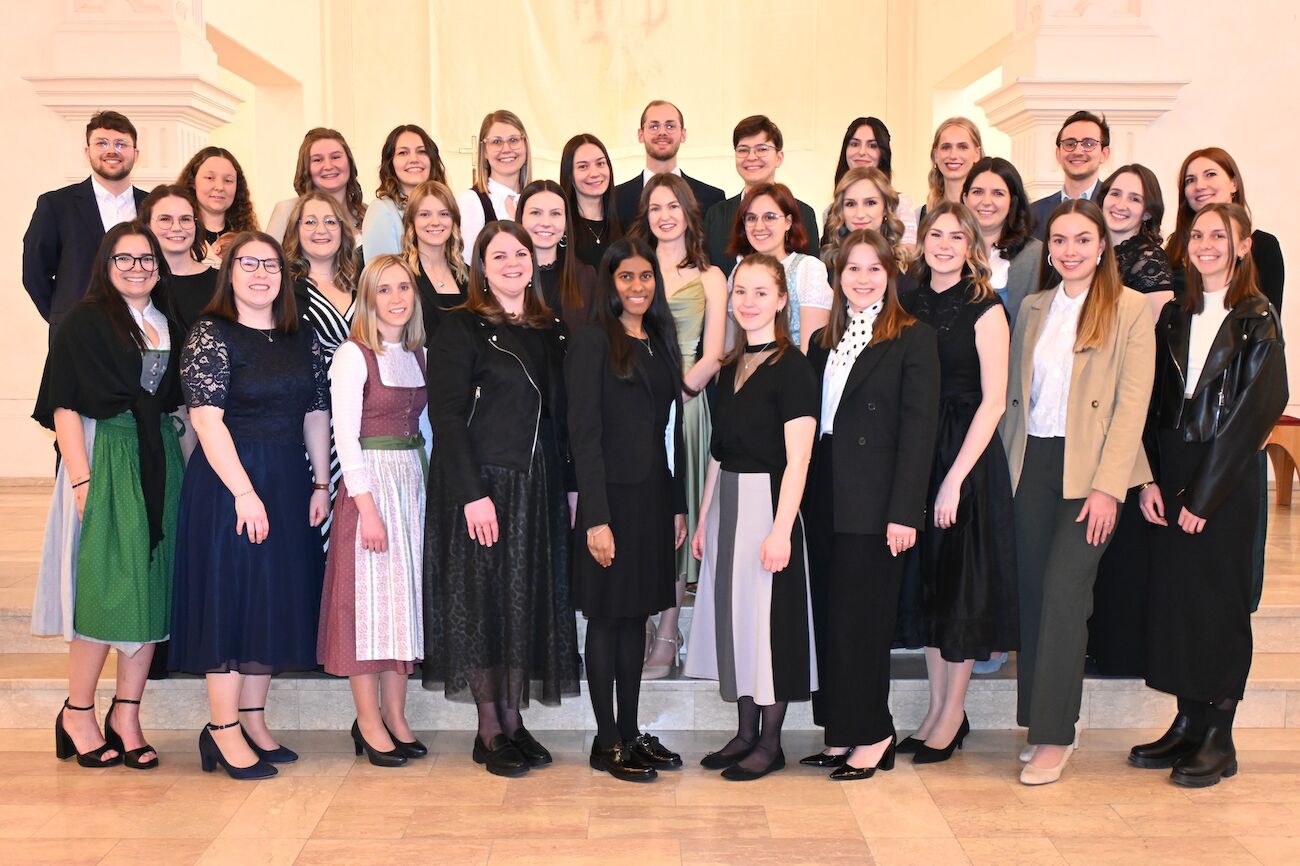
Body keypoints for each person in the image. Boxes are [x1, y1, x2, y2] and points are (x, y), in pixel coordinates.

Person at [1131, 203, 1287, 788]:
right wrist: (1147, 478)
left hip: (1224, 476)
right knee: (1178, 600)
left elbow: (1254, 413)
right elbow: (1151, 401)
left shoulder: (1257, 317)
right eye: (1198, 235)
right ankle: (1188, 722)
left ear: (1243, 245)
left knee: (1219, 604)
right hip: (1172, 466)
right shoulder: (1176, 313)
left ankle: (1219, 735)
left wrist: (1204, 496)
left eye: (1220, 236)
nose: (1207, 244)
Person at [1001, 200, 1154, 786]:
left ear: (1101, 247)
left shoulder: (1129, 308)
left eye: (1082, 240)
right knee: (1034, 595)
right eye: (1060, 240)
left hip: (1090, 470)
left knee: (1066, 595)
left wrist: (1109, 488)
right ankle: (1041, 720)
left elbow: (1132, 405)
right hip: (1032, 464)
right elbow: (1017, 399)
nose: (1070, 250)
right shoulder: (1034, 307)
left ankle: (1055, 735)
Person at [169, 232, 331, 780]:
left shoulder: (300, 336)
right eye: (249, 263)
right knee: (233, 600)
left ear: (284, 277)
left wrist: (320, 484)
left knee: (270, 599)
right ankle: (221, 728)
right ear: (229, 273)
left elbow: (315, 412)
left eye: (271, 265)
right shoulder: (211, 333)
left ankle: (253, 720)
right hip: (229, 482)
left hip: (287, 478)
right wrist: (243, 492)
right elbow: (205, 419)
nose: (261, 274)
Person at [423, 221, 579, 778]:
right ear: (481, 268)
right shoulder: (460, 327)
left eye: (520, 253)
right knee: (482, 602)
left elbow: (562, 419)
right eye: (499, 256)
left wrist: (571, 487)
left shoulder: (550, 329)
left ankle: (513, 720)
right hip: (482, 486)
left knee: (521, 602)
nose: (513, 263)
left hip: (536, 486)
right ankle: (488, 727)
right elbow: (445, 415)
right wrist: (473, 495)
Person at [32, 222, 184, 770]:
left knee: (151, 588)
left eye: (147, 259)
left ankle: (126, 714)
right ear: (106, 263)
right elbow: (65, 405)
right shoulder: (84, 321)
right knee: (104, 588)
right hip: (107, 457)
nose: (137, 268)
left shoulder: (170, 322)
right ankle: (78, 712)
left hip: (160, 459)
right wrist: (82, 481)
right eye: (125, 258)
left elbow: (178, 406)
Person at [800, 229, 939, 779]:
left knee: (864, 621)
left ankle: (875, 733)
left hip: (877, 500)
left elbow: (919, 432)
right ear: (838, 276)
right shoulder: (823, 340)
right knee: (831, 617)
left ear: (890, 275)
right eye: (852, 269)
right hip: (825, 491)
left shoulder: (913, 337)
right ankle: (841, 732)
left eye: (873, 269)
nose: (862, 278)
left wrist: (905, 511)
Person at [685, 253, 818, 781]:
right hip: (727, 507)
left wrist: (781, 530)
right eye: (740, 291)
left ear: (782, 300)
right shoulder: (728, 367)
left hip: (769, 505)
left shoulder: (795, 368)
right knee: (736, 623)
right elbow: (717, 454)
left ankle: (770, 742)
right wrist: (703, 520)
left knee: (767, 625)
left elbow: (800, 459)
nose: (748, 301)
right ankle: (743, 733)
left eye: (761, 292)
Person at [894, 202, 1017, 762]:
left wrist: (953, 480)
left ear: (972, 246)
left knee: (960, 586)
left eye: (956, 236)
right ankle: (937, 708)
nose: (944, 244)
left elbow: (994, 402)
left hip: (965, 453)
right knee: (931, 584)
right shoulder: (908, 298)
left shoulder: (985, 306)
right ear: (921, 240)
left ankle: (953, 713)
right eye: (935, 234)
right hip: (920, 447)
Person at [566, 238, 688, 781]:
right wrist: (596, 517)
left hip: (652, 497)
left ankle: (632, 731)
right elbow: (583, 433)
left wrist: (677, 504)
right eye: (626, 277)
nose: (638, 286)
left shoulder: (660, 339)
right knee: (607, 619)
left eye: (646, 276)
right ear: (610, 284)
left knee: (635, 617)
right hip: (609, 500)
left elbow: (672, 430)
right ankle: (607, 740)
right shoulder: (593, 340)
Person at [318, 255, 429, 768]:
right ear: (368, 298)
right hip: (371, 488)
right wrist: (367, 508)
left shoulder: (419, 353)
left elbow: (424, 429)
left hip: (411, 483)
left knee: (401, 604)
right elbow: (345, 435)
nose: (396, 298)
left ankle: (396, 715)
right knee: (366, 609)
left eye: (404, 287)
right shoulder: (352, 355)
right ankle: (367, 720)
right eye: (384, 289)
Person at [1166, 147, 1286, 613]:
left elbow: (1256, 355)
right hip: (1181, 431)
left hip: (1229, 426)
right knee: (1179, 578)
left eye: (1210, 174)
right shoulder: (1176, 265)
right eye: (1189, 179)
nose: (1199, 185)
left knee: (1226, 575)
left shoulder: (1259, 287)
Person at [627, 173, 728, 677]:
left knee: (676, 522)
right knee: (642, 518)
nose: (664, 216)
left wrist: (679, 392)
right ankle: (644, 623)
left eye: (673, 206)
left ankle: (668, 632)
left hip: (686, 405)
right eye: (655, 207)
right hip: (637, 406)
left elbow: (716, 353)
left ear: (689, 213)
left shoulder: (711, 276)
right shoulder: (634, 271)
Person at [1087, 163, 1174, 677]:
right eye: (1114, 193)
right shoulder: (1095, 250)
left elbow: (1153, 351)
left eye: (1134, 198)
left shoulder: (1149, 261)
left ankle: (1119, 650)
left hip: (1129, 407)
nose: (1120, 204)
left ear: (1148, 211)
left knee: (1122, 538)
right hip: (1092, 407)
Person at [23, 110, 148, 334]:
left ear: (135, 153)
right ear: (87, 151)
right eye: (102, 143)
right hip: (75, 332)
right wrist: (63, 316)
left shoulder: (153, 206)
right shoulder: (56, 205)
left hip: (142, 330)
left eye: (121, 144)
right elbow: (34, 273)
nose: (112, 150)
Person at [704, 115, 820, 276]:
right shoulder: (716, 215)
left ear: (779, 158)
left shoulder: (802, 212)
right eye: (743, 150)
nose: (751, 157)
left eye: (762, 149)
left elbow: (811, 275)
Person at [726, 183, 833, 351]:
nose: (759, 226)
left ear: (788, 222)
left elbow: (812, 351)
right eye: (751, 218)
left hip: (793, 365)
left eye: (769, 217)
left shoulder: (807, 269)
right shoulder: (739, 270)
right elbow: (730, 345)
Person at [613, 100, 725, 227]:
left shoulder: (712, 199)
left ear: (683, 134)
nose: (662, 132)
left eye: (670, 126)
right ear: (641, 135)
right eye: (654, 126)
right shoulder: (616, 199)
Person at [961, 157, 1042, 328]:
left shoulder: (1035, 255)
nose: (986, 201)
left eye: (998, 193)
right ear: (965, 198)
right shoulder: (948, 250)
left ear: (1013, 201)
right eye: (977, 192)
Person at [517, 179, 597, 329]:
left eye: (555, 213)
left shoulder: (585, 277)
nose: (546, 223)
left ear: (566, 223)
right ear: (521, 218)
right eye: (535, 213)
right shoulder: (507, 274)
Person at [265, 128, 367, 244]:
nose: (328, 166)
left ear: (349, 162)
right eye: (318, 160)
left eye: (335, 157)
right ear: (306, 167)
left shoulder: (368, 214)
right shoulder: (287, 211)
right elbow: (266, 254)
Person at [139, 184, 217, 336]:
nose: (176, 227)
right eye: (165, 219)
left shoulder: (223, 282)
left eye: (185, 219)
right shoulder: (135, 282)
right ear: (147, 226)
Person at [828, 117, 918, 246]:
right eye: (854, 144)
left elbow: (907, 253)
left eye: (872, 145)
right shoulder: (830, 212)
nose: (862, 152)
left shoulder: (900, 204)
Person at [361, 125, 444, 263]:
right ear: (391, 163)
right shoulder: (381, 210)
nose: (414, 159)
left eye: (422, 151)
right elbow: (381, 273)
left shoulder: (445, 208)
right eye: (403, 153)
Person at [457, 110, 531, 258]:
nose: (506, 149)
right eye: (496, 142)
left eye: (513, 140)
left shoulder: (535, 199)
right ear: (484, 151)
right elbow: (468, 264)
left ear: (525, 145)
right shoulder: (470, 202)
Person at [401, 179, 469, 337]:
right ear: (412, 221)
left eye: (444, 214)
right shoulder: (399, 272)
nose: (435, 222)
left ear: (453, 220)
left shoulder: (468, 275)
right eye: (425, 214)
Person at [1031, 111, 1111, 242]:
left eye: (1088, 144)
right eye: (1070, 144)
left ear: (1104, 154)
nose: (1078, 151)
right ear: (1058, 154)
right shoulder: (1034, 213)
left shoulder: (1115, 209)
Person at [176, 147, 258, 261]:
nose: (219, 187)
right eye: (210, 178)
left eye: (228, 180)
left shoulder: (249, 239)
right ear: (193, 182)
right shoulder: (176, 234)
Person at [820, 166, 909, 270]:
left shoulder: (906, 265)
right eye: (850, 204)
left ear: (886, 208)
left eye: (870, 203)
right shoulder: (825, 266)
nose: (860, 214)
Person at [560, 133, 623, 269]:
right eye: (583, 166)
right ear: (569, 174)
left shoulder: (624, 222)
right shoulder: (560, 227)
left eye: (600, 163)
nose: (594, 173)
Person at [923, 118, 983, 219]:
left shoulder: (987, 213)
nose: (953, 155)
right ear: (935, 155)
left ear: (977, 154)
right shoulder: (919, 216)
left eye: (962, 147)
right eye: (946, 147)